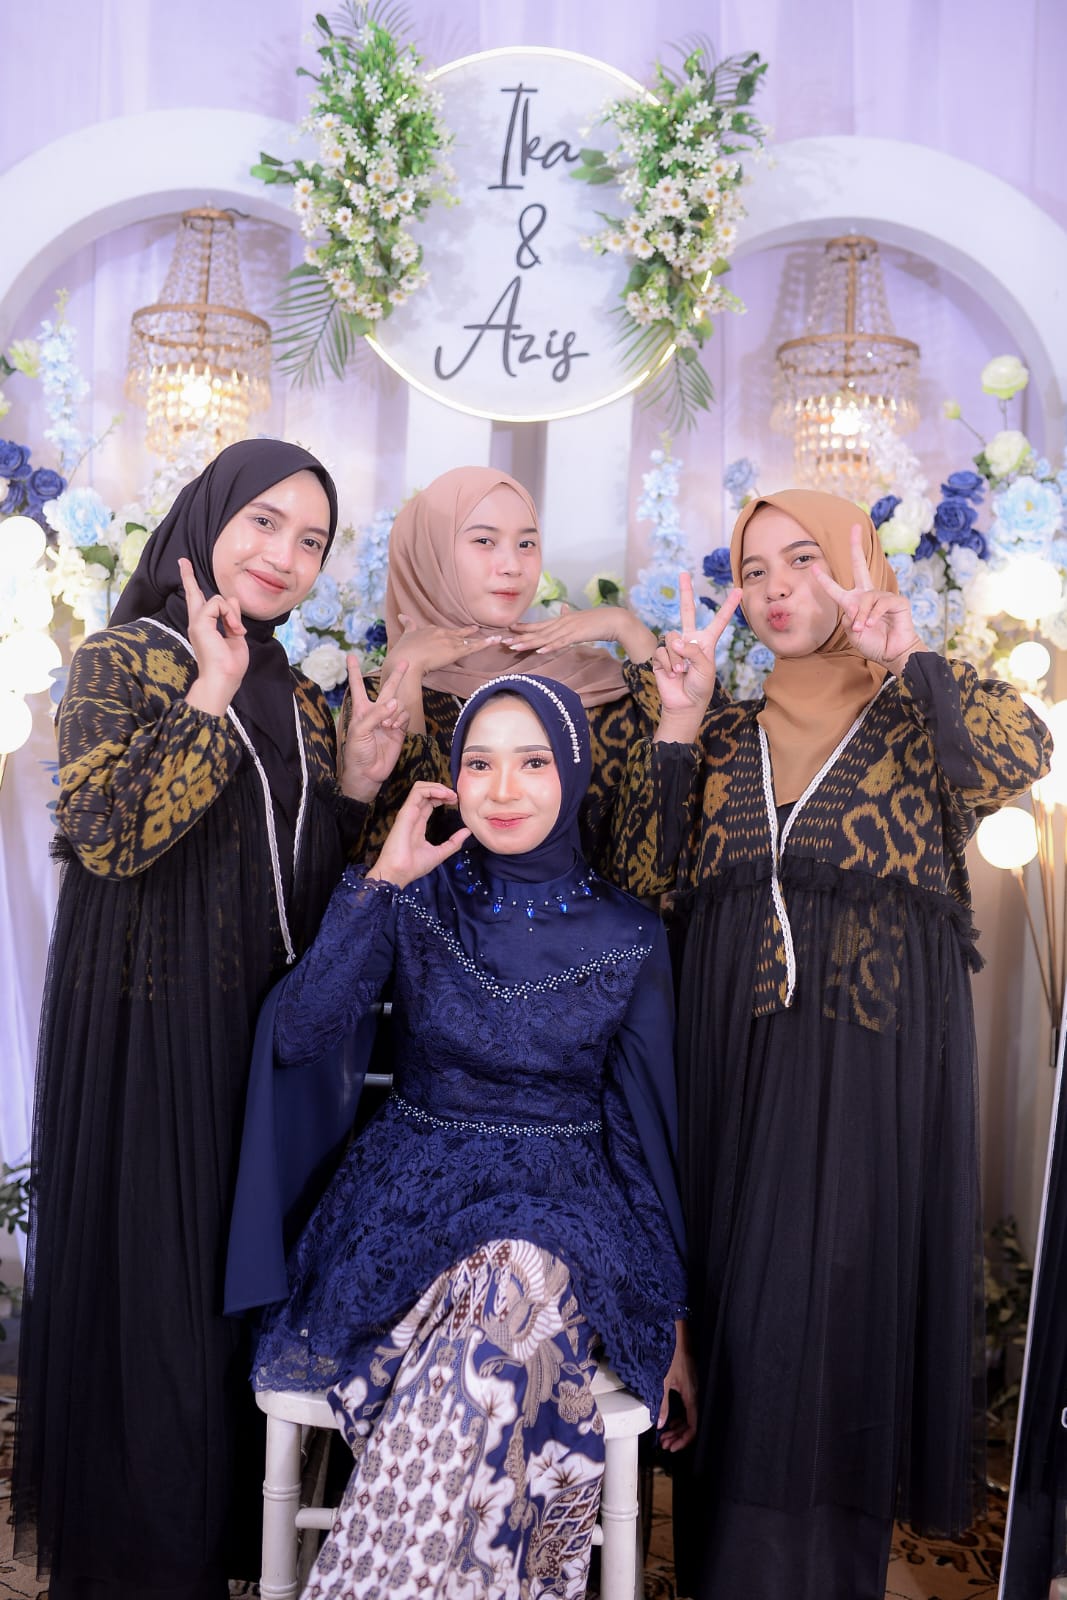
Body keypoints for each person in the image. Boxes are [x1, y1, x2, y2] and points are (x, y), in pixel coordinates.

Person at [621, 489, 1053, 1600]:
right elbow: (640, 883)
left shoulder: (917, 714)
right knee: (738, 1332)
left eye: (804, 559)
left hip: (867, 1090)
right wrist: (676, 722)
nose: (776, 589)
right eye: (752, 570)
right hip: (730, 1085)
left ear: (859, 565)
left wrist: (909, 655)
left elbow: (1019, 754)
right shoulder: (723, 732)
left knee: (832, 1324)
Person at [14, 439, 409, 1600]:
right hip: (154, 1035)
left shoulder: (294, 689)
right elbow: (107, 834)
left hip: (256, 1043)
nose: (285, 555)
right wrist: (206, 696)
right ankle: (142, 1571)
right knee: (158, 1309)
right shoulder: (128, 656)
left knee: (230, 1310)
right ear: (208, 519)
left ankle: (210, 1555)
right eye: (264, 522)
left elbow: (291, 884)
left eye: (311, 540)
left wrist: (354, 784)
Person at [240, 672, 697, 1598]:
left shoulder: (630, 932)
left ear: (573, 773)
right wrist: (383, 880)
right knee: (503, 1331)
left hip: (566, 1204)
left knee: (513, 1272)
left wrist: (674, 1317)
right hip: (411, 1198)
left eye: (532, 763)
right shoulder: (416, 898)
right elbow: (298, 1033)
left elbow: (644, 1133)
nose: (502, 789)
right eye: (479, 764)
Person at [356, 465, 662, 882]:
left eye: (526, 543)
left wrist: (629, 630)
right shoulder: (374, 698)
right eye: (484, 541)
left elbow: (696, 776)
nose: (512, 566)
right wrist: (405, 677)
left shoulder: (591, 683)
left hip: (588, 923)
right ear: (429, 553)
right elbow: (376, 858)